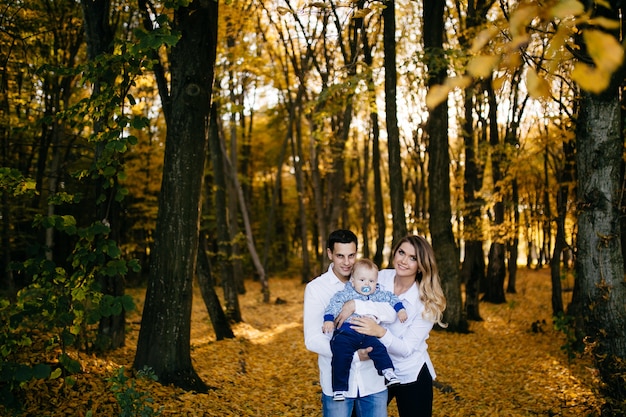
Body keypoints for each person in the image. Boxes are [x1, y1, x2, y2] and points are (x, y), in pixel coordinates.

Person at [345, 235, 447, 417]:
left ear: (421, 265)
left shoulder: (427, 302)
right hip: (374, 368)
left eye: (413, 258)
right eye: (401, 252)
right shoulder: (380, 277)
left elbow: (406, 349)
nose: (404, 261)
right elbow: (354, 297)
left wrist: (380, 332)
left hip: (409, 372)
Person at [303, 230, 396, 417]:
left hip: (373, 383)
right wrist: (355, 355)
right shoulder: (316, 289)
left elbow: (391, 313)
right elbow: (312, 339)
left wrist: (356, 304)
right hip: (337, 386)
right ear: (330, 254)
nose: (347, 262)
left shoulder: (370, 281)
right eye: (340, 256)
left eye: (351, 255)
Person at [323, 258, 407, 401]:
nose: (367, 284)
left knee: (379, 348)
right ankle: (339, 389)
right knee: (341, 355)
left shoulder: (377, 294)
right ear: (353, 281)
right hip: (347, 331)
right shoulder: (346, 294)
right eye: (362, 280)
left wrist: (400, 310)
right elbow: (334, 304)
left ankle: (388, 372)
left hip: (367, 333)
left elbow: (391, 298)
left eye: (371, 281)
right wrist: (329, 320)